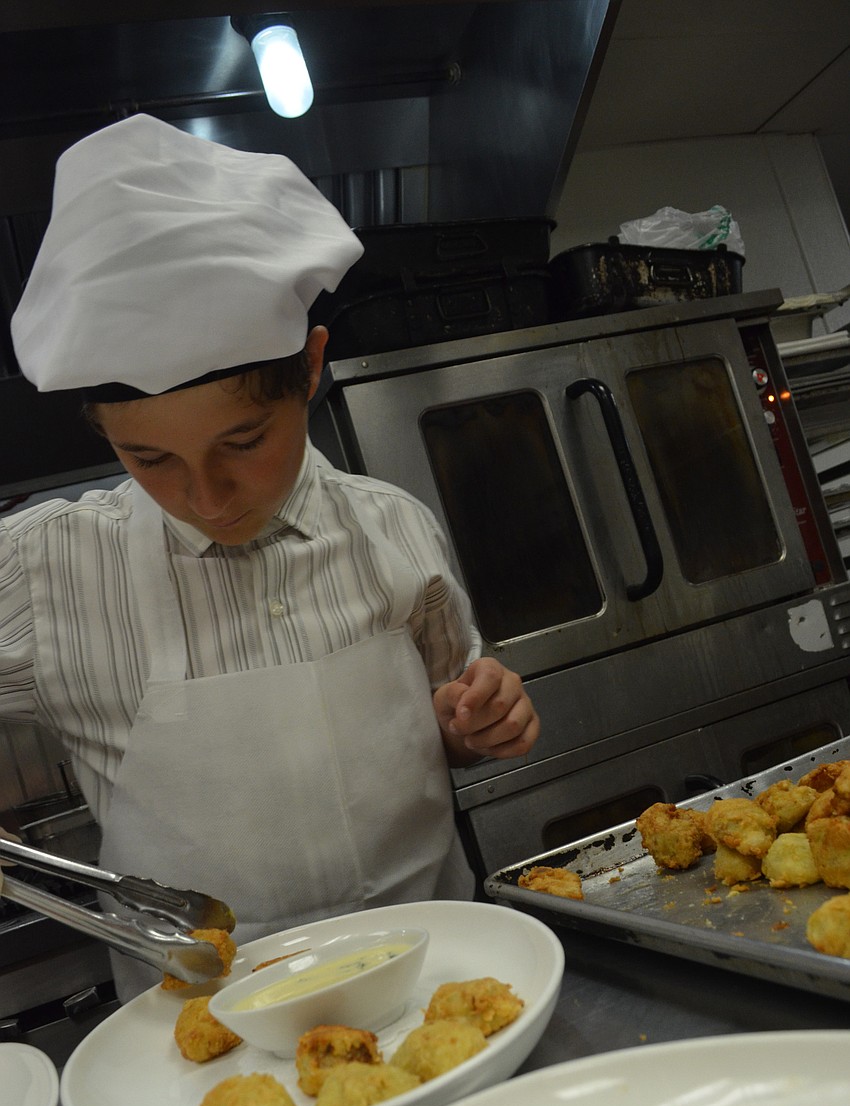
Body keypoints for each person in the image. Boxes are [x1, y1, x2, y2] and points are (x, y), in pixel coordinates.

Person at [1, 114, 539, 999]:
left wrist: (474, 722)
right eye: (151, 460)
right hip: (207, 1060)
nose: (208, 498)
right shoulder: (44, 570)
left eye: (244, 440)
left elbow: (454, 719)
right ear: (102, 430)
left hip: (437, 999)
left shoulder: (394, 529)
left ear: (312, 368)